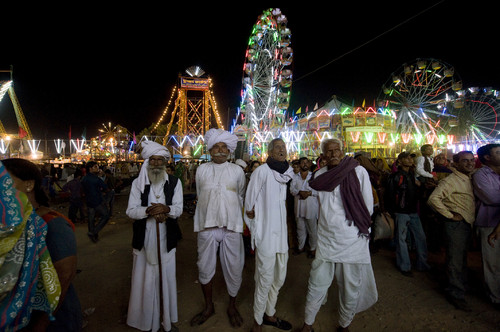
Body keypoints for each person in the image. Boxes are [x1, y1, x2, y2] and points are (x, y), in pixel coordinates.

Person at [300, 138, 378, 332]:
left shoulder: (358, 172)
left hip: (352, 240)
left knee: (350, 286)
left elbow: (367, 208)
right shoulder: (319, 176)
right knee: (316, 282)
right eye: (329, 151)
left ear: (343, 152)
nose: (334, 154)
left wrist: (353, 227)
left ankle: (344, 324)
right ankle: (308, 323)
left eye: (337, 150)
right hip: (326, 239)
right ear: (323, 155)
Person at [3, 158, 82, 331]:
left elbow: (64, 276)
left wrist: (39, 324)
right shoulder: (10, 225)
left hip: (51, 320)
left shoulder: (52, 224)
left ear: (29, 185)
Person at [190, 129, 246, 328]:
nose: (221, 150)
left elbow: (240, 194)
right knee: (204, 266)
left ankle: (232, 305)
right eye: (216, 147)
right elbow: (200, 193)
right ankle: (208, 306)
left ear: (229, 151)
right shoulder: (202, 170)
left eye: (224, 147)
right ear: (210, 150)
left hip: (231, 225)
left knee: (234, 266)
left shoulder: (237, 171)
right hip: (207, 224)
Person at [126, 140, 183, 332]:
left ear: (166, 162)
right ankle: (145, 322)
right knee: (145, 279)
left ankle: (165, 321)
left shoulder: (175, 183)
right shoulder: (138, 183)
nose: (157, 163)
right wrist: (150, 211)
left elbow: (178, 209)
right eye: (154, 160)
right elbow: (131, 211)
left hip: (166, 239)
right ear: (147, 162)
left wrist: (166, 209)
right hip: (144, 238)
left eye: (161, 160)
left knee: (165, 278)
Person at [244, 138, 295, 332]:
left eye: (284, 147)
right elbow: (249, 205)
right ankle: (257, 321)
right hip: (266, 234)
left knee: (279, 277)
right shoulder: (261, 172)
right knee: (264, 278)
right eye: (278, 147)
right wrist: (255, 225)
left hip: (283, 236)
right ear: (270, 152)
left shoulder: (289, 174)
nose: (282, 150)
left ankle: (269, 314)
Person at [427, 151, 476, 311]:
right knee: (455, 259)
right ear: (455, 164)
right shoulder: (451, 181)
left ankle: (460, 286)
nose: (469, 163)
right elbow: (433, 199)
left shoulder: (468, 178)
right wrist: (450, 215)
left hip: (465, 224)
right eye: (465, 161)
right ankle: (455, 292)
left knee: (460, 258)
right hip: (456, 225)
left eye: (471, 160)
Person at [386, 152, 430, 277]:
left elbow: (416, 193)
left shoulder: (411, 175)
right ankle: (405, 266)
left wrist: (421, 186)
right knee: (402, 240)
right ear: (399, 162)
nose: (410, 160)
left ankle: (422, 263)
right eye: (406, 158)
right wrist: (392, 211)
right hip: (401, 212)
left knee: (420, 238)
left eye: (411, 157)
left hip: (412, 211)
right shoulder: (395, 176)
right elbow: (389, 195)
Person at [472, 143, 500, 309]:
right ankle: (495, 297)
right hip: (489, 223)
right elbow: (492, 198)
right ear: (487, 158)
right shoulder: (480, 175)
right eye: (498, 152)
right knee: (493, 264)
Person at [290, 156, 318, 258]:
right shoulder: (295, 177)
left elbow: (319, 191)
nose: (305, 164)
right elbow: (292, 190)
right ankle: (300, 248)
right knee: (300, 229)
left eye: (306, 162)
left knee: (312, 229)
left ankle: (313, 249)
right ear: (299, 164)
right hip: (299, 207)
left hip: (311, 207)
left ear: (310, 164)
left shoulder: (314, 176)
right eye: (302, 163)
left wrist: (309, 193)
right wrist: (299, 192)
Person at [81, 161, 110, 242]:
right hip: (97, 200)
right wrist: (102, 177)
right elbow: (105, 187)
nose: (97, 168)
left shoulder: (84, 178)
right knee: (106, 215)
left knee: (91, 218)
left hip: (88, 200)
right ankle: (94, 231)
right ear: (90, 169)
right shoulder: (95, 179)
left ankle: (93, 235)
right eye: (96, 167)